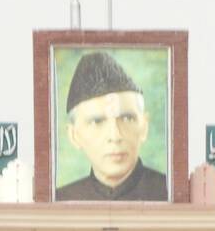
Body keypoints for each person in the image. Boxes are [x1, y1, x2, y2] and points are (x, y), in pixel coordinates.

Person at [55, 50, 168, 202]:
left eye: (127, 118)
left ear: (144, 126)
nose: (115, 136)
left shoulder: (169, 195)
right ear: (74, 135)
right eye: (97, 122)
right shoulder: (61, 201)